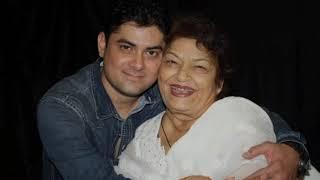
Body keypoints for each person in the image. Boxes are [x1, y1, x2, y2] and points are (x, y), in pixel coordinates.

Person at [37, 0, 310, 180]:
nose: (138, 65)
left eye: (152, 52)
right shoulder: (62, 108)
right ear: (101, 44)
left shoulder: (167, 89)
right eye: (126, 47)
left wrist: (292, 151)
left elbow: (251, 115)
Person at [112, 14, 308, 180]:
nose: (181, 75)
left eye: (199, 67)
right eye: (172, 62)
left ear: (219, 83)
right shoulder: (141, 138)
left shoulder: (239, 123)